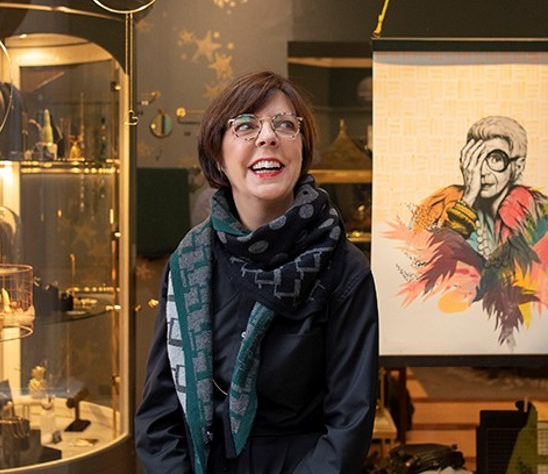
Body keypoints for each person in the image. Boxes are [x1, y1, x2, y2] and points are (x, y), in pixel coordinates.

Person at [135, 71, 379, 473]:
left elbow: (348, 426)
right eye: (245, 125)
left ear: (302, 150)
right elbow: (159, 415)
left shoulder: (343, 268)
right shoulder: (190, 262)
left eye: (285, 125)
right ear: (217, 155)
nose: (267, 137)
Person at [389, 115, 548, 347]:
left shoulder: (540, 223)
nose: (482, 172)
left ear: (517, 167)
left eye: (495, 159)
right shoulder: (439, 210)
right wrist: (466, 201)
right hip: (452, 335)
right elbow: (430, 280)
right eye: (476, 159)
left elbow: (542, 299)